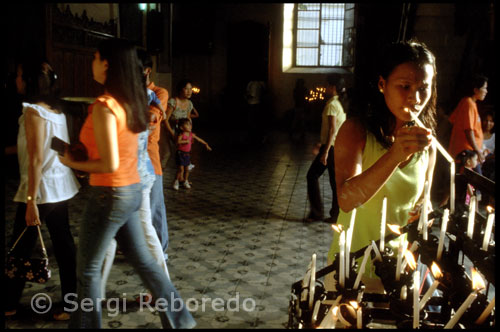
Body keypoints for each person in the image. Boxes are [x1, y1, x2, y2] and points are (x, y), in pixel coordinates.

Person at [59, 39, 196, 329]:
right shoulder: (130, 102)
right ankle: (181, 320)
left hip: (110, 193)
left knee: (88, 272)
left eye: (95, 58)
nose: (92, 63)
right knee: (145, 263)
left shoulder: (105, 106)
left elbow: (109, 164)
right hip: (131, 189)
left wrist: (72, 163)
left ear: (107, 64)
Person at [325, 39, 437, 291]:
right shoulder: (355, 131)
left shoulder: (427, 144)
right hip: (352, 266)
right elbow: (346, 199)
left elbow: (422, 198)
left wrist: (425, 208)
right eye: (405, 86)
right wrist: (395, 154)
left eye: (424, 88)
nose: (415, 98)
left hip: (398, 267)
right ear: (382, 84)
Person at [5, 59, 80, 321]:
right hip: (59, 185)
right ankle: (71, 303)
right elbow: (55, 146)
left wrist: (30, 201)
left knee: (19, 247)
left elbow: (37, 158)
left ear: (30, 81)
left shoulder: (33, 111)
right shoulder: (56, 111)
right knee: (64, 245)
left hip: (42, 189)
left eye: (20, 74)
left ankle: (9, 303)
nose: (17, 79)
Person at [100, 73, 172, 302]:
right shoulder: (137, 97)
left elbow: (146, 126)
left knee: (111, 238)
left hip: (130, 177)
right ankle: (164, 293)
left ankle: (89, 300)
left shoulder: (141, 98)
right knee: (116, 238)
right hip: (133, 175)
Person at [136, 50, 171, 263]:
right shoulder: (127, 93)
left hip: (149, 159)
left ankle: (160, 252)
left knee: (155, 208)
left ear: (146, 70)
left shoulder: (159, 93)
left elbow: (149, 121)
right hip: (129, 159)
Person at [305, 74, 346, 223]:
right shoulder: (339, 103)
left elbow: (332, 130)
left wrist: (325, 152)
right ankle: (335, 215)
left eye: (327, 85)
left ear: (333, 87)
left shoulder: (331, 105)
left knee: (312, 176)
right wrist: (322, 144)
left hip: (332, 148)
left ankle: (317, 213)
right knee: (333, 182)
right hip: (334, 146)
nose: (326, 88)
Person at [448, 74, 488, 170]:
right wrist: (477, 151)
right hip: (467, 155)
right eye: (484, 88)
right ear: (475, 90)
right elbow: (468, 130)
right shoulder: (468, 103)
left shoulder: (470, 103)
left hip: (471, 155)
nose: (486, 91)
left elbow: (453, 120)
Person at [165, 79, 199, 175]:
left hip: (182, 133)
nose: (189, 91)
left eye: (190, 89)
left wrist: (190, 134)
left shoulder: (189, 104)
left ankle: (182, 179)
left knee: (183, 154)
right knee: (167, 154)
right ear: (180, 90)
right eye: (186, 89)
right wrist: (172, 134)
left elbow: (188, 120)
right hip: (170, 131)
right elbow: (165, 120)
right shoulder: (173, 102)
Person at [172, 118, 212, 190]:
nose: (190, 126)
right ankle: (176, 181)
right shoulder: (181, 134)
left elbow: (199, 139)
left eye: (190, 124)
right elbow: (177, 142)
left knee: (187, 169)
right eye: (187, 125)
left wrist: (206, 144)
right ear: (181, 127)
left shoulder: (191, 134)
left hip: (187, 154)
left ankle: (185, 181)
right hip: (180, 154)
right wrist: (185, 141)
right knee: (181, 169)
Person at [290, 78, 308, 142]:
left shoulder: (296, 90)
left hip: (298, 106)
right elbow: (306, 97)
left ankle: (293, 132)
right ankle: (301, 133)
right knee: (300, 120)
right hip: (300, 106)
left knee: (297, 120)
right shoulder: (303, 89)